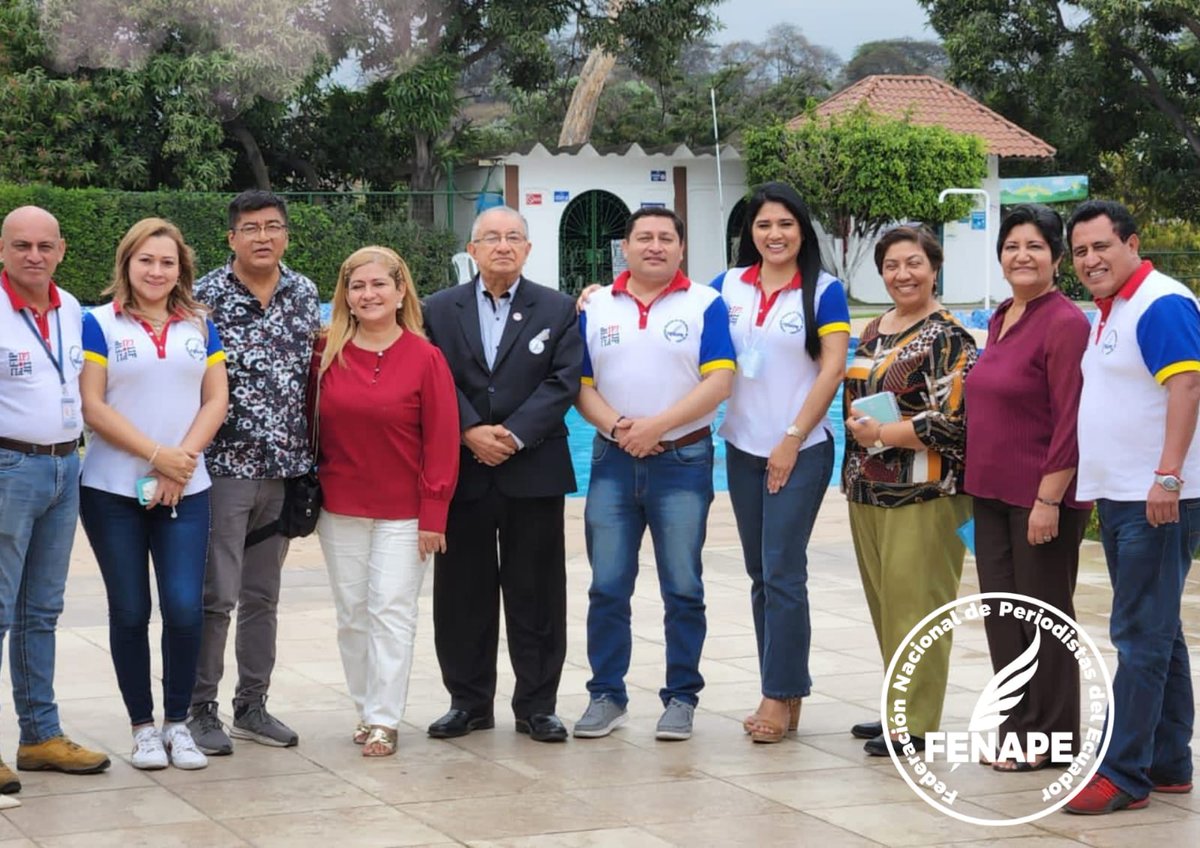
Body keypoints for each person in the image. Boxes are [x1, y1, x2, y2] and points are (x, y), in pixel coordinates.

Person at [573, 207, 735, 741]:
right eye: (644, 237)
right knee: (608, 585)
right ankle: (606, 695)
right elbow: (579, 385)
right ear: (625, 247)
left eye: (667, 238)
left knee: (683, 586)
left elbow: (719, 382)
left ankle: (682, 697)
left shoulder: (706, 304)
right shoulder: (596, 307)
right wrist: (622, 429)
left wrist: (656, 428)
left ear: (682, 249)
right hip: (612, 461)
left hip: (683, 462)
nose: (655, 246)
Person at [423, 207, 582, 743]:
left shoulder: (558, 308)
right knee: (461, 592)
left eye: (514, 237)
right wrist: (470, 431)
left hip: (532, 470)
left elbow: (563, 382)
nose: (503, 246)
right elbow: (434, 378)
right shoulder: (438, 310)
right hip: (464, 471)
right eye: (491, 238)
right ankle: (468, 703)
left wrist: (512, 435)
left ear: (529, 249)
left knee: (536, 592)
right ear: (472, 249)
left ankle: (537, 705)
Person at [1064, 200, 1200, 815]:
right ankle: (1169, 761)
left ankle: (1122, 773)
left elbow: (1188, 384)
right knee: (1159, 630)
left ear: (1133, 243)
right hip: (1123, 497)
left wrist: (1167, 477)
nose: (1091, 260)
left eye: (1101, 247)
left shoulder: (1161, 302)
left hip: (1158, 500)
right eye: (1081, 251)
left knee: (1138, 636)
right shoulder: (1113, 309)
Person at [78, 218, 229, 770]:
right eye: (146, 260)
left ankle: (176, 724)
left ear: (181, 268)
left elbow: (216, 400)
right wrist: (155, 456)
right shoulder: (98, 325)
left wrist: (179, 463)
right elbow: (93, 406)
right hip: (112, 491)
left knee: (187, 609)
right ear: (127, 263)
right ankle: (142, 728)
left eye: (167, 262)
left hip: (187, 490)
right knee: (130, 610)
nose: (156, 271)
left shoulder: (200, 326)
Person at [710, 183, 849, 743]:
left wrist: (793, 437)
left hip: (801, 450)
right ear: (750, 232)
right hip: (743, 449)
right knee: (761, 576)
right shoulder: (726, 286)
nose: (774, 235)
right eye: (764, 225)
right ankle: (785, 688)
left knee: (783, 573)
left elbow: (832, 369)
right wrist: (595, 295)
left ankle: (776, 694)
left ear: (802, 230)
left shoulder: (824, 291)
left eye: (786, 224)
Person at [187, 190, 320, 755]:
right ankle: (198, 708)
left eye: (273, 226)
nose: (262, 236)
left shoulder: (305, 292)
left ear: (286, 234)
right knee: (216, 595)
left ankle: (252, 706)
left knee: (263, 594)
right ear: (231, 238)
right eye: (250, 228)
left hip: (285, 471)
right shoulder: (202, 298)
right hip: (223, 471)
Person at [314, 246, 459, 756]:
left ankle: (384, 719)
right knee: (353, 613)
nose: (368, 294)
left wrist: (434, 512)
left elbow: (442, 440)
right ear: (346, 298)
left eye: (379, 285)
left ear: (401, 292)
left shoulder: (427, 358)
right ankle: (363, 707)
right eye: (358, 287)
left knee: (392, 611)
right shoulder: (325, 353)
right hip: (341, 508)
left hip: (406, 512)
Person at [963, 204, 1091, 772]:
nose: (1022, 256)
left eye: (1035, 246)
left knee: (1044, 617)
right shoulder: (1001, 317)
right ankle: (1016, 728)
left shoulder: (1064, 323)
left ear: (1057, 259)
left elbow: (1072, 417)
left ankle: (1052, 735)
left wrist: (1049, 499)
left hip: (1042, 496)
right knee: (1004, 618)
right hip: (989, 494)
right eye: (1012, 246)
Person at [842, 225, 977, 757]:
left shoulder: (948, 336)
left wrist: (883, 434)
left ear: (934, 268)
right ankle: (896, 708)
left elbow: (955, 423)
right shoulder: (876, 329)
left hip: (926, 492)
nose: (903, 274)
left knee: (919, 607)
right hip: (869, 490)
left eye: (914, 263)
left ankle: (915, 724)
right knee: (886, 606)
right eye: (893, 265)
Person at [0, 206, 111, 794]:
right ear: (3, 249)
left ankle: (40, 736)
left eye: (44, 245)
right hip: (9, 466)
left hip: (65, 465)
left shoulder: (71, 309)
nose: (34, 256)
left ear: (62, 250)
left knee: (40, 612)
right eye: (21, 245)